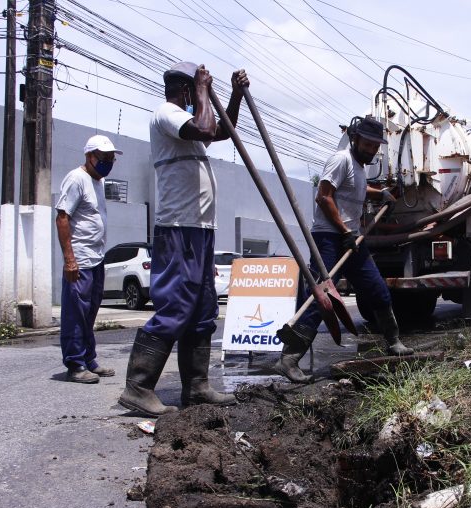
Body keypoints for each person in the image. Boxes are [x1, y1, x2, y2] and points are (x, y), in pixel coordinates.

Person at [118, 62, 249, 417]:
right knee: (175, 306)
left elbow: (221, 131)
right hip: (178, 228)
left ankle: (197, 386)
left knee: (202, 309)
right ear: (187, 90)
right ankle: (138, 387)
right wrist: (204, 90)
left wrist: (234, 95)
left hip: (200, 230)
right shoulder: (166, 113)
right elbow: (206, 125)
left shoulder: (188, 119)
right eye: (197, 89)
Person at [274, 116, 414, 384]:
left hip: (352, 241)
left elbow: (357, 189)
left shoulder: (359, 169)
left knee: (377, 289)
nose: (372, 149)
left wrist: (380, 193)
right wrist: (345, 231)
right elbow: (324, 196)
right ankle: (288, 360)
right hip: (329, 238)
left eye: (376, 145)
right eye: (368, 143)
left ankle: (393, 341)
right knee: (320, 299)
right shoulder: (341, 160)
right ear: (355, 139)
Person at [55, 135, 122, 383]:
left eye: (111, 158)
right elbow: (62, 218)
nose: (108, 162)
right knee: (75, 312)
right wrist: (69, 260)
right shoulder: (76, 179)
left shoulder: (98, 182)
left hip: (97, 258)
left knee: (90, 311)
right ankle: (75, 364)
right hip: (80, 259)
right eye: (103, 157)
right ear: (89, 156)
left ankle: (89, 359)